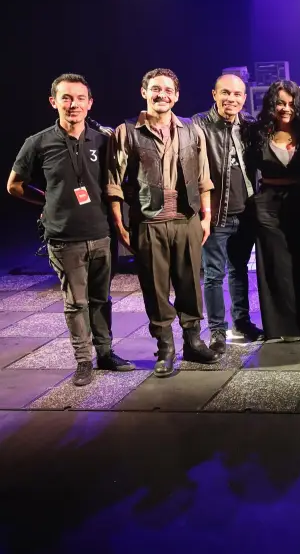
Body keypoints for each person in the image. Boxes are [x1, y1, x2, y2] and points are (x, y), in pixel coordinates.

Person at [8, 74, 134, 386]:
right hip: (64, 238)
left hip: (102, 233)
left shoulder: (104, 141)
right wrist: (46, 200)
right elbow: (14, 185)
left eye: (79, 98)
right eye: (65, 98)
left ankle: (105, 353)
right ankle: (83, 361)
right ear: (53, 102)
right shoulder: (37, 142)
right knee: (75, 303)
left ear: (90, 103)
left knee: (101, 298)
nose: (73, 104)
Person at [107, 68, 220, 378]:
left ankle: (194, 342)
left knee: (190, 285)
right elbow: (114, 182)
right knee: (155, 288)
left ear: (177, 95)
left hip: (187, 219)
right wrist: (119, 223)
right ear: (144, 92)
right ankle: (165, 348)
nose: (162, 95)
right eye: (155, 89)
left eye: (168, 90)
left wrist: (206, 216)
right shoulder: (126, 131)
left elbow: (203, 177)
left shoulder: (191, 131)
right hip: (148, 221)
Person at [192, 74, 264, 353]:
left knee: (239, 270)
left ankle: (242, 322)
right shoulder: (199, 124)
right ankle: (218, 332)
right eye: (225, 93)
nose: (231, 99)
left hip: (245, 212)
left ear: (244, 98)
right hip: (216, 213)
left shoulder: (248, 125)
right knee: (212, 274)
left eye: (237, 94)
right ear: (214, 94)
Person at [249, 80, 300, 342]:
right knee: (276, 267)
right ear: (271, 104)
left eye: (291, 103)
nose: (286, 108)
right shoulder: (258, 133)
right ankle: (281, 328)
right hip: (268, 205)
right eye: (280, 103)